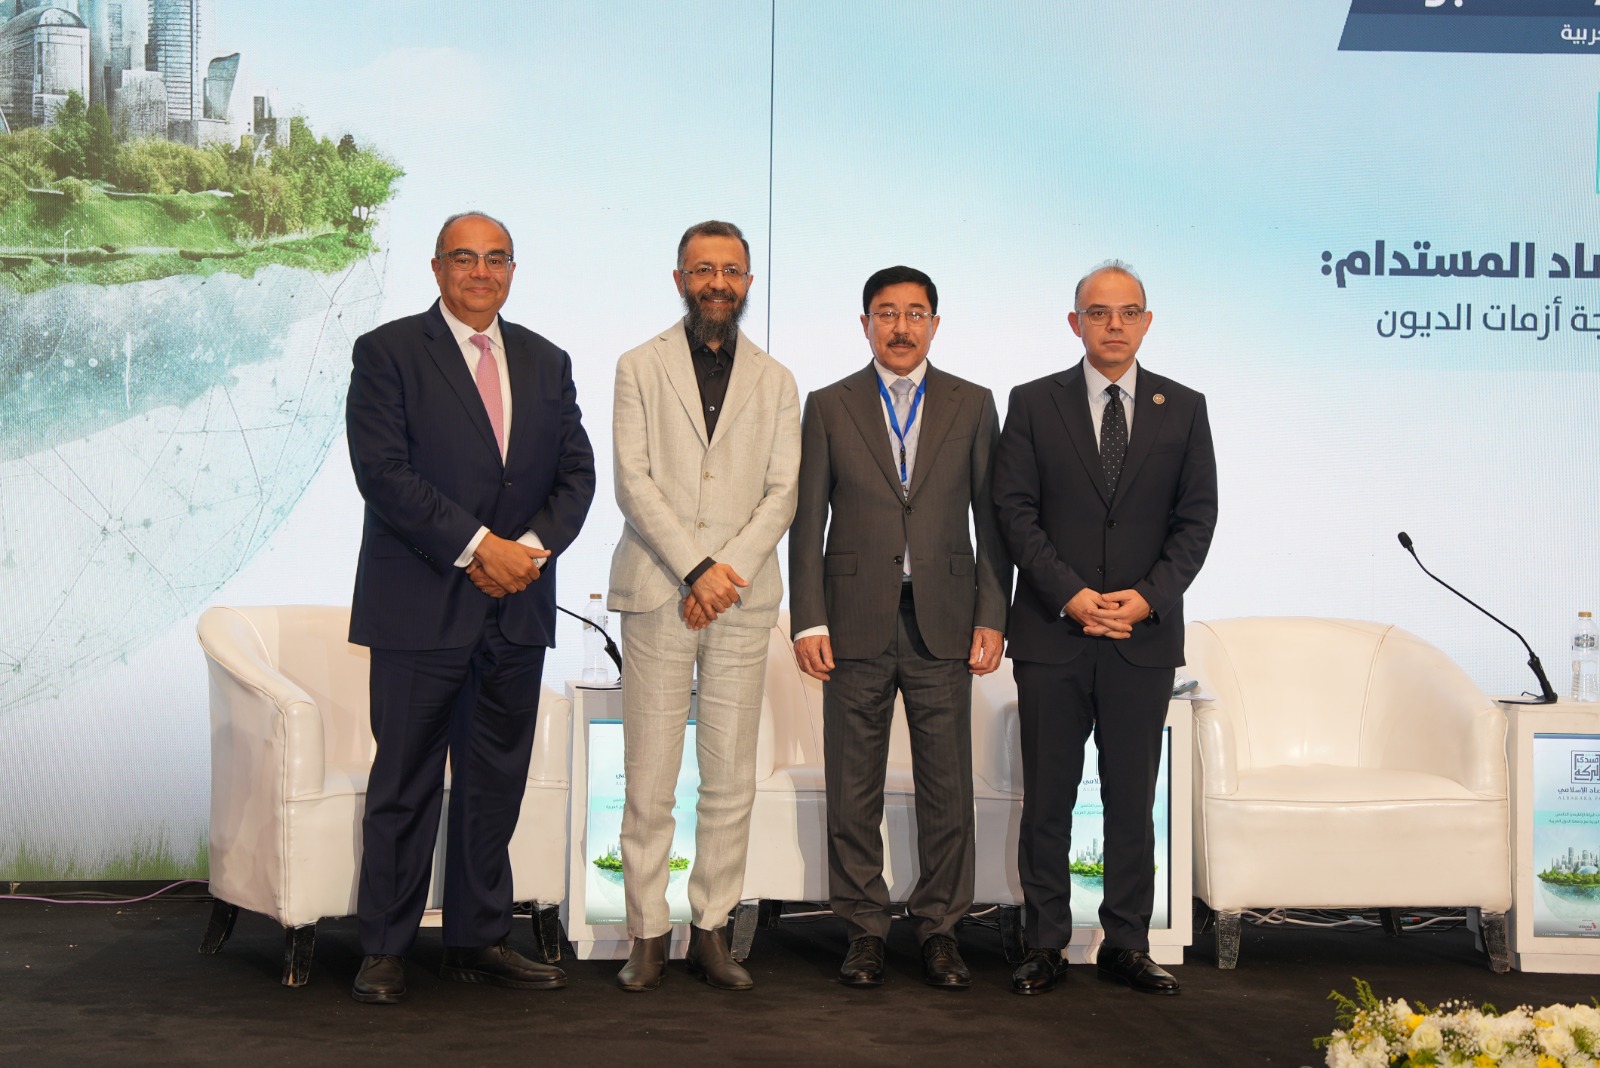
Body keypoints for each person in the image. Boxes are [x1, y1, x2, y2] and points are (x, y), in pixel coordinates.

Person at [344, 211, 595, 1004]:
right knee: (405, 782)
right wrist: (481, 547)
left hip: (516, 608)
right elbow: (383, 473)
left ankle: (477, 939)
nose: (480, 272)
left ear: (512, 270)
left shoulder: (547, 360)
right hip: (420, 606)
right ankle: (385, 946)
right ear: (437, 268)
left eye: (495, 259)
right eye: (464, 258)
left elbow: (577, 475)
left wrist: (528, 552)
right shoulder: (386, 352)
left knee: (495, 784)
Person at [993, 261, 1216, 997]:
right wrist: (1072, 595)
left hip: (1140, 640)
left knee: (1131, 800)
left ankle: (1127, 942)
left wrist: (1147, 599)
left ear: (1146, 322)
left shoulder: (1184, 408)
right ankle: (1045, 944)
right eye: (1098, 312)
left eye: (1127, 312)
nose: (1113, 325)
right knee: (1048, 799)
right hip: (1053, 635)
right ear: (1075, 323)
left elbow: (1196, 520)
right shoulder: (1033, 402)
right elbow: (1014, 512)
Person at [789, 266, 1011, 990]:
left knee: (948, 786)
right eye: (886, 313)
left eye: (916, 313)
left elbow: (993, 522)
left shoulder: (974, 404)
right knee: (853, 785)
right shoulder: (828, 405)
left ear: (935, 325)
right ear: (865, 325)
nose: (901, 326)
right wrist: (808, 618)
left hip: (944, 619)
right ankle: (864, 927)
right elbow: (806, 522)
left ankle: (941, 928)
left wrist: (993, 614)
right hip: (852, 619)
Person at [607, 220, 801, 992]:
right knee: (649, 777)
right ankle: (647, 933)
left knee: (729, 776)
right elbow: (632, 480)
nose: (717, 283)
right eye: (702, 270)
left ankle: (712, 929)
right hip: (660, 590)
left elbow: (782, 492)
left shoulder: (777, 380)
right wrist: (695, 571)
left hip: (741, 601)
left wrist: (725, 575)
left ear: (748, 282)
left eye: (731, 271)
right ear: (680, 279)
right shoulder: (638, 365)